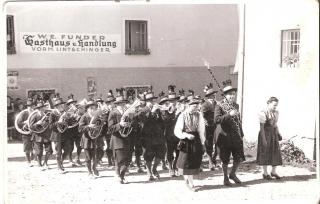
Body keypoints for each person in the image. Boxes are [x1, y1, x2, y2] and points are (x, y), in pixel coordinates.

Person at [214, 79, 245, 186]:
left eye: (233, 94)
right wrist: (229, 115)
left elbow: (238, 120)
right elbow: (216, 120)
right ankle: (225, 177)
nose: (232, 96)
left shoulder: (236, 106)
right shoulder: (219, 105)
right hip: (224, 135)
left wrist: (241, 133)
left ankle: (232, 174)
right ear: (225, 96)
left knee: (238, 157)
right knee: (225, 158)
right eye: (229, 95)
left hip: (235, 135)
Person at [174, 97, 205, 192]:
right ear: (188, 105)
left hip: (195, 139)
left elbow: (201, 129)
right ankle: (188, 182)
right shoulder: (182, 115)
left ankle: (190, 182)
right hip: (186, 140)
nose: (195, 107)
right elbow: (177, 130)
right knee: (185, 162)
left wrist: (202, 141)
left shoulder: (199, 115)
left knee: (192, 161)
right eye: (193, 105)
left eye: (196, 105)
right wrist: (185, 135)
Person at [138, 90, 166, 181]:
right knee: (148, 155)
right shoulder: (142, 110)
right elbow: (143, 122)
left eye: (153, 100)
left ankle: (154, 168)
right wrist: (152, 112)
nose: (152, 102)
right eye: (150, 101)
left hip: (158, 136)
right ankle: (149, 172)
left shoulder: (157, 109)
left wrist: (164, 113)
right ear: (146, 101)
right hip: (147, 136)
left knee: (161, 152)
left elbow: (162, 122)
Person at [108, 88, 133, 184]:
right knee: (120, 159)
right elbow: (110, 128)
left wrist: (130, 123)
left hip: (127, 138)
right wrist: (120, 125)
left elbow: (132, 123)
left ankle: (121, 175)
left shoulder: (127, 112)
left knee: (128, 159)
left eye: (124, 103)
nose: (123, 105)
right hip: (117, 139)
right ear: (117, 104)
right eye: (121, 103)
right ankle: (120, 176)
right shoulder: (113, 113)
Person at [257, 97, 282, 180]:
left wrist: (278, 133)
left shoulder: (276, 113)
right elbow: (262, 127)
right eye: (274, 105)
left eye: (276, 105)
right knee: (265, 152)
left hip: (273, 134)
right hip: (265, 134)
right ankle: (265, 173)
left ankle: (273, 172)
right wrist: (263, 139)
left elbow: (275, 124)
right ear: (269, 103)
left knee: (275, 152)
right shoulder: (263, 112)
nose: (275, 107)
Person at [161, 85, 180, 177]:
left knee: (179, 151)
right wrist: (174, 115)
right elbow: (165, 122)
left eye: (174, 101)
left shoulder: (180, 109)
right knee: (169, 152)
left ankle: (175, 166)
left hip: (179, 135)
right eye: (171, 101)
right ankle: (170, 168)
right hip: (169, 135)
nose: (173, 103)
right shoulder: (165, 111)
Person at [29, 100, 53, 170]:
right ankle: (39, 164)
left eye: (43, 107)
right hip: (38, 136)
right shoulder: (34, 115)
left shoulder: (48, 114)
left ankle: (45, 163)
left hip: (47, 135)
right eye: (41, 107)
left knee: (49, 151)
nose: (43, 109)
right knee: (39, 152)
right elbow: (30, 126)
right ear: (38, 109)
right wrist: (37, 123)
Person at [78, 99, 100, 178]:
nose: (93, 110)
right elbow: (80, 129)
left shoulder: (96, 117)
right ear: (87, 109)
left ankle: (94, 169)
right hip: (86, 139)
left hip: (94, 138)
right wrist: (88, 126)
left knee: (94, 156)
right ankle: (89, 172)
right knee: (88, 157)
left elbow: (99, 126)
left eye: (94, 108)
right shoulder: (84, 116)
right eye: (91, 108)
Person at [49, 95, 69, 173]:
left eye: (62, 105)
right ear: (57, 106)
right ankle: (59, 167)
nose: (62, 106)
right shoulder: (53, 114)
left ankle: (61, 162)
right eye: (60, 105)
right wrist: (58, 122)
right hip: (57, 135)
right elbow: (50, 126)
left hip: (64, 134)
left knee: (68, 150)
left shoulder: (65, 113)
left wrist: (69, 120)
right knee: (58, 152)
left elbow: (68, 123)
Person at [201, 83, 219, 171]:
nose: (214, 96)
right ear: (209, 96)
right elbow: (202, 115)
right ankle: (210, 162)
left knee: (218, 143)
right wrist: (205, 121)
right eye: (212, 95)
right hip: (208, 127)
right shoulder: (205, 104)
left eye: (214, 95)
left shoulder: (217, 103)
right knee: (209, 144)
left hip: (216, 126)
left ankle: (214, 159)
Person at [15, 98, 35, 167]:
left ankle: (33, 157)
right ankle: (28, 161)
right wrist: (25, 122)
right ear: (27, 106)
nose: (30, 107)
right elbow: (19, 123)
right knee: (27, 147)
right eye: (29, 106)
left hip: (34, 132)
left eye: (32, 106)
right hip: (26, 133)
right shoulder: (24, 113)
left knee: (34, 146)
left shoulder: (34, 112)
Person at [65, 94, 83, 167]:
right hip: (70, 131)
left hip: (78, 131)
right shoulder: (67, 112)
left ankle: (77, 158)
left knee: (80, 146)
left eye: (73, 103)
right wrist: (72, 116)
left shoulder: (79, 111)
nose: (72, 105)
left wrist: (79, 115)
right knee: (70, 147)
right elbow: (66, 121)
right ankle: (70, 160)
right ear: (69, 105)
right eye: (71, 104)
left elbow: (83, 118)